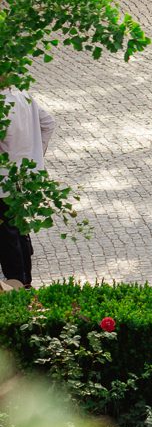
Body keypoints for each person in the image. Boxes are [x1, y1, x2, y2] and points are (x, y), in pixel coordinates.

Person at [0, 87, 55, 287]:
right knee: (19, 228)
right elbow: (48, 123)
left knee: (7, 235)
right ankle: (25, 282)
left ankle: (17, 283)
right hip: (24, 177)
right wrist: (35, 156)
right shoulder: (24, 95)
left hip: (3, 181)